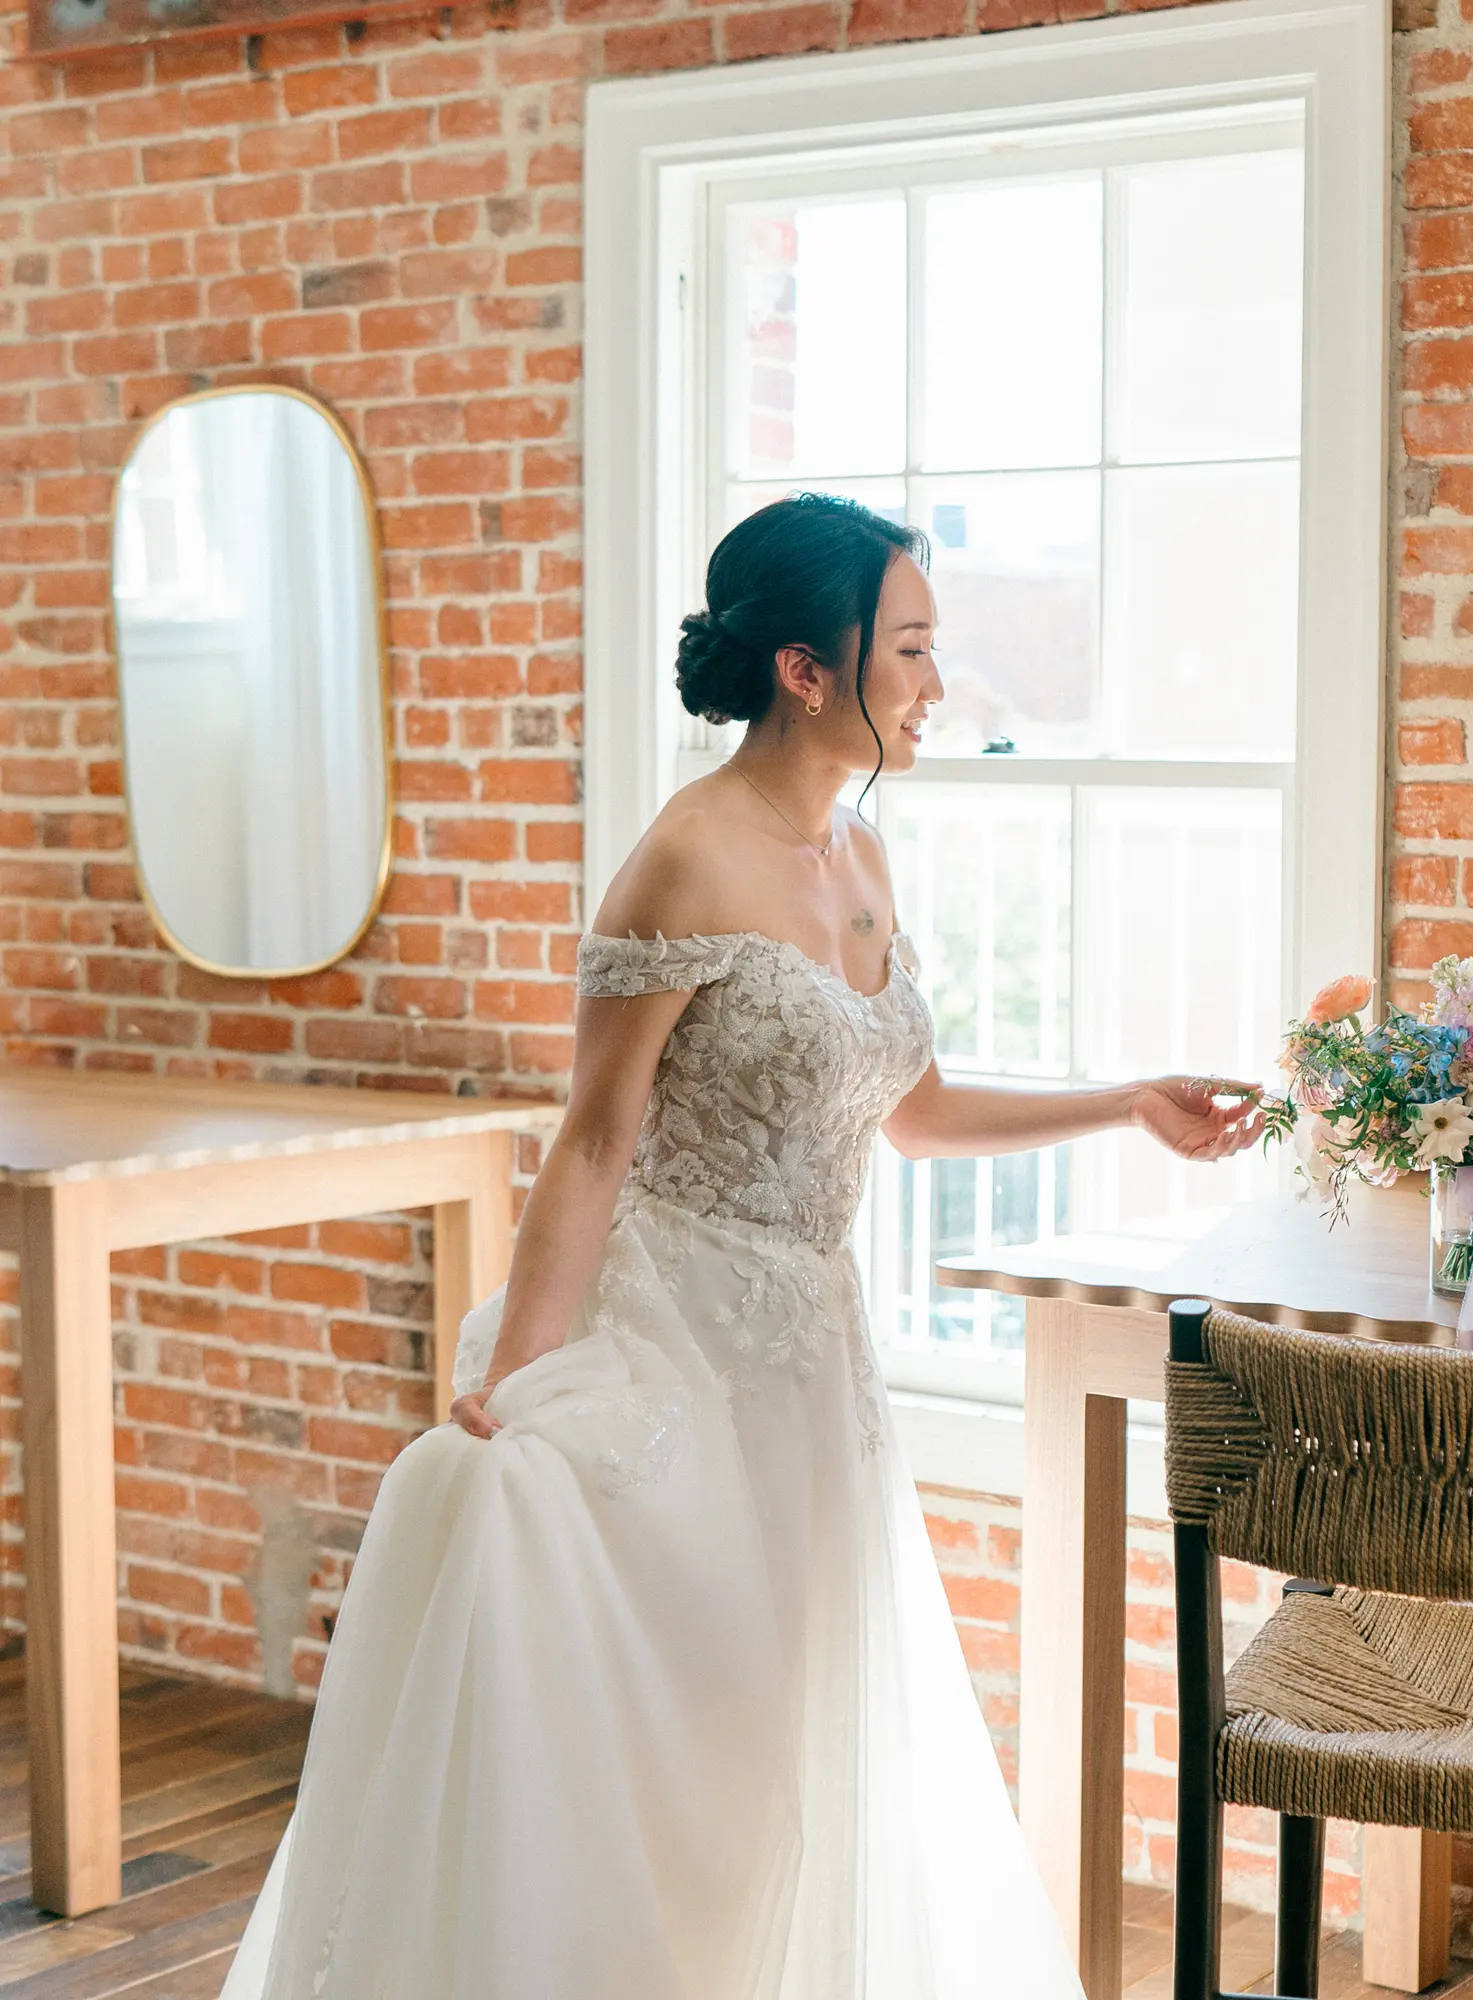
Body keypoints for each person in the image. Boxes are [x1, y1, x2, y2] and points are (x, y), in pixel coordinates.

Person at [220, 493, 1259, 2000]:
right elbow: (595, 1140)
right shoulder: (682, 862)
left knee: (792, 1734)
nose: (934, 681)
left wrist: (1126, 1104)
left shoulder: (861, 856)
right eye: (909, 646)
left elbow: (913, 1112)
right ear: (806, 666)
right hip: (674, 1336)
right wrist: (518, 1379)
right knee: (677, 1760)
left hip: (810, 1360)